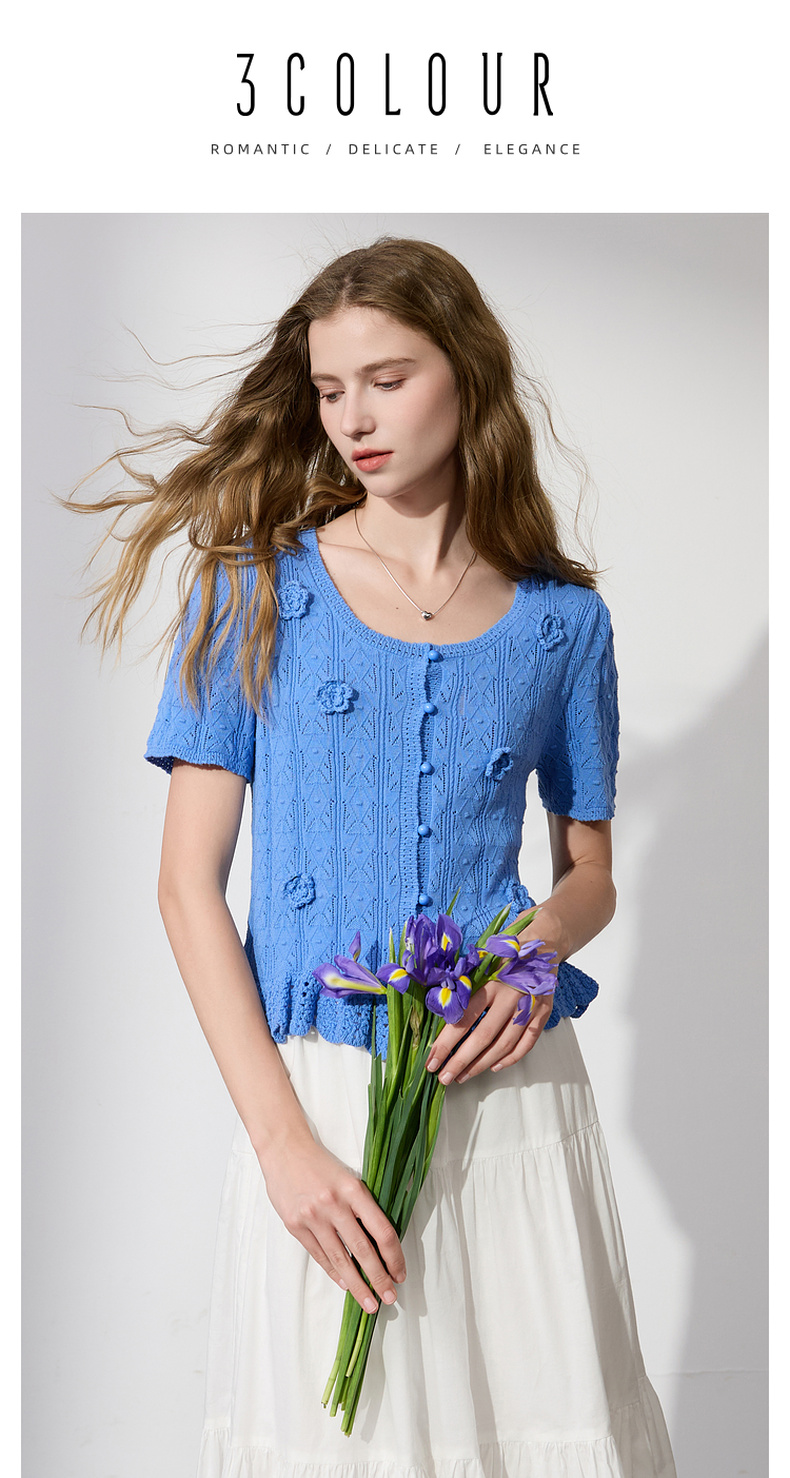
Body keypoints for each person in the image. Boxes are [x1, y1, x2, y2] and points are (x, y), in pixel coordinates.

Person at [73, 237, 677, 1476]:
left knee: (529, 1432)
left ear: (466, 371)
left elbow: (590, 874)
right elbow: (185, 888)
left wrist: (533, 956)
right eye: (330, 389)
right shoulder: (250, 585)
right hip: (321, 1099)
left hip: (507, 1086)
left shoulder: (565, 622)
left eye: (387, 380)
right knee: (337, 1437)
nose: (353, 419)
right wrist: (281, 1145)